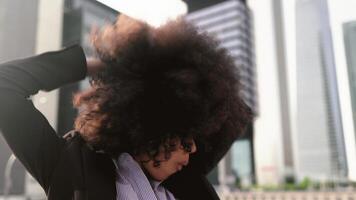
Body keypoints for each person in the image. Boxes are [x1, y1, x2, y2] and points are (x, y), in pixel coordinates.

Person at [0, 15, 252, 200]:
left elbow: (232, 110)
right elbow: (5, 85)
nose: (194, 148)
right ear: (153, 127)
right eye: (185, 139)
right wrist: (100, 67)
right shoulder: (67, 165)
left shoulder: (186, 186)